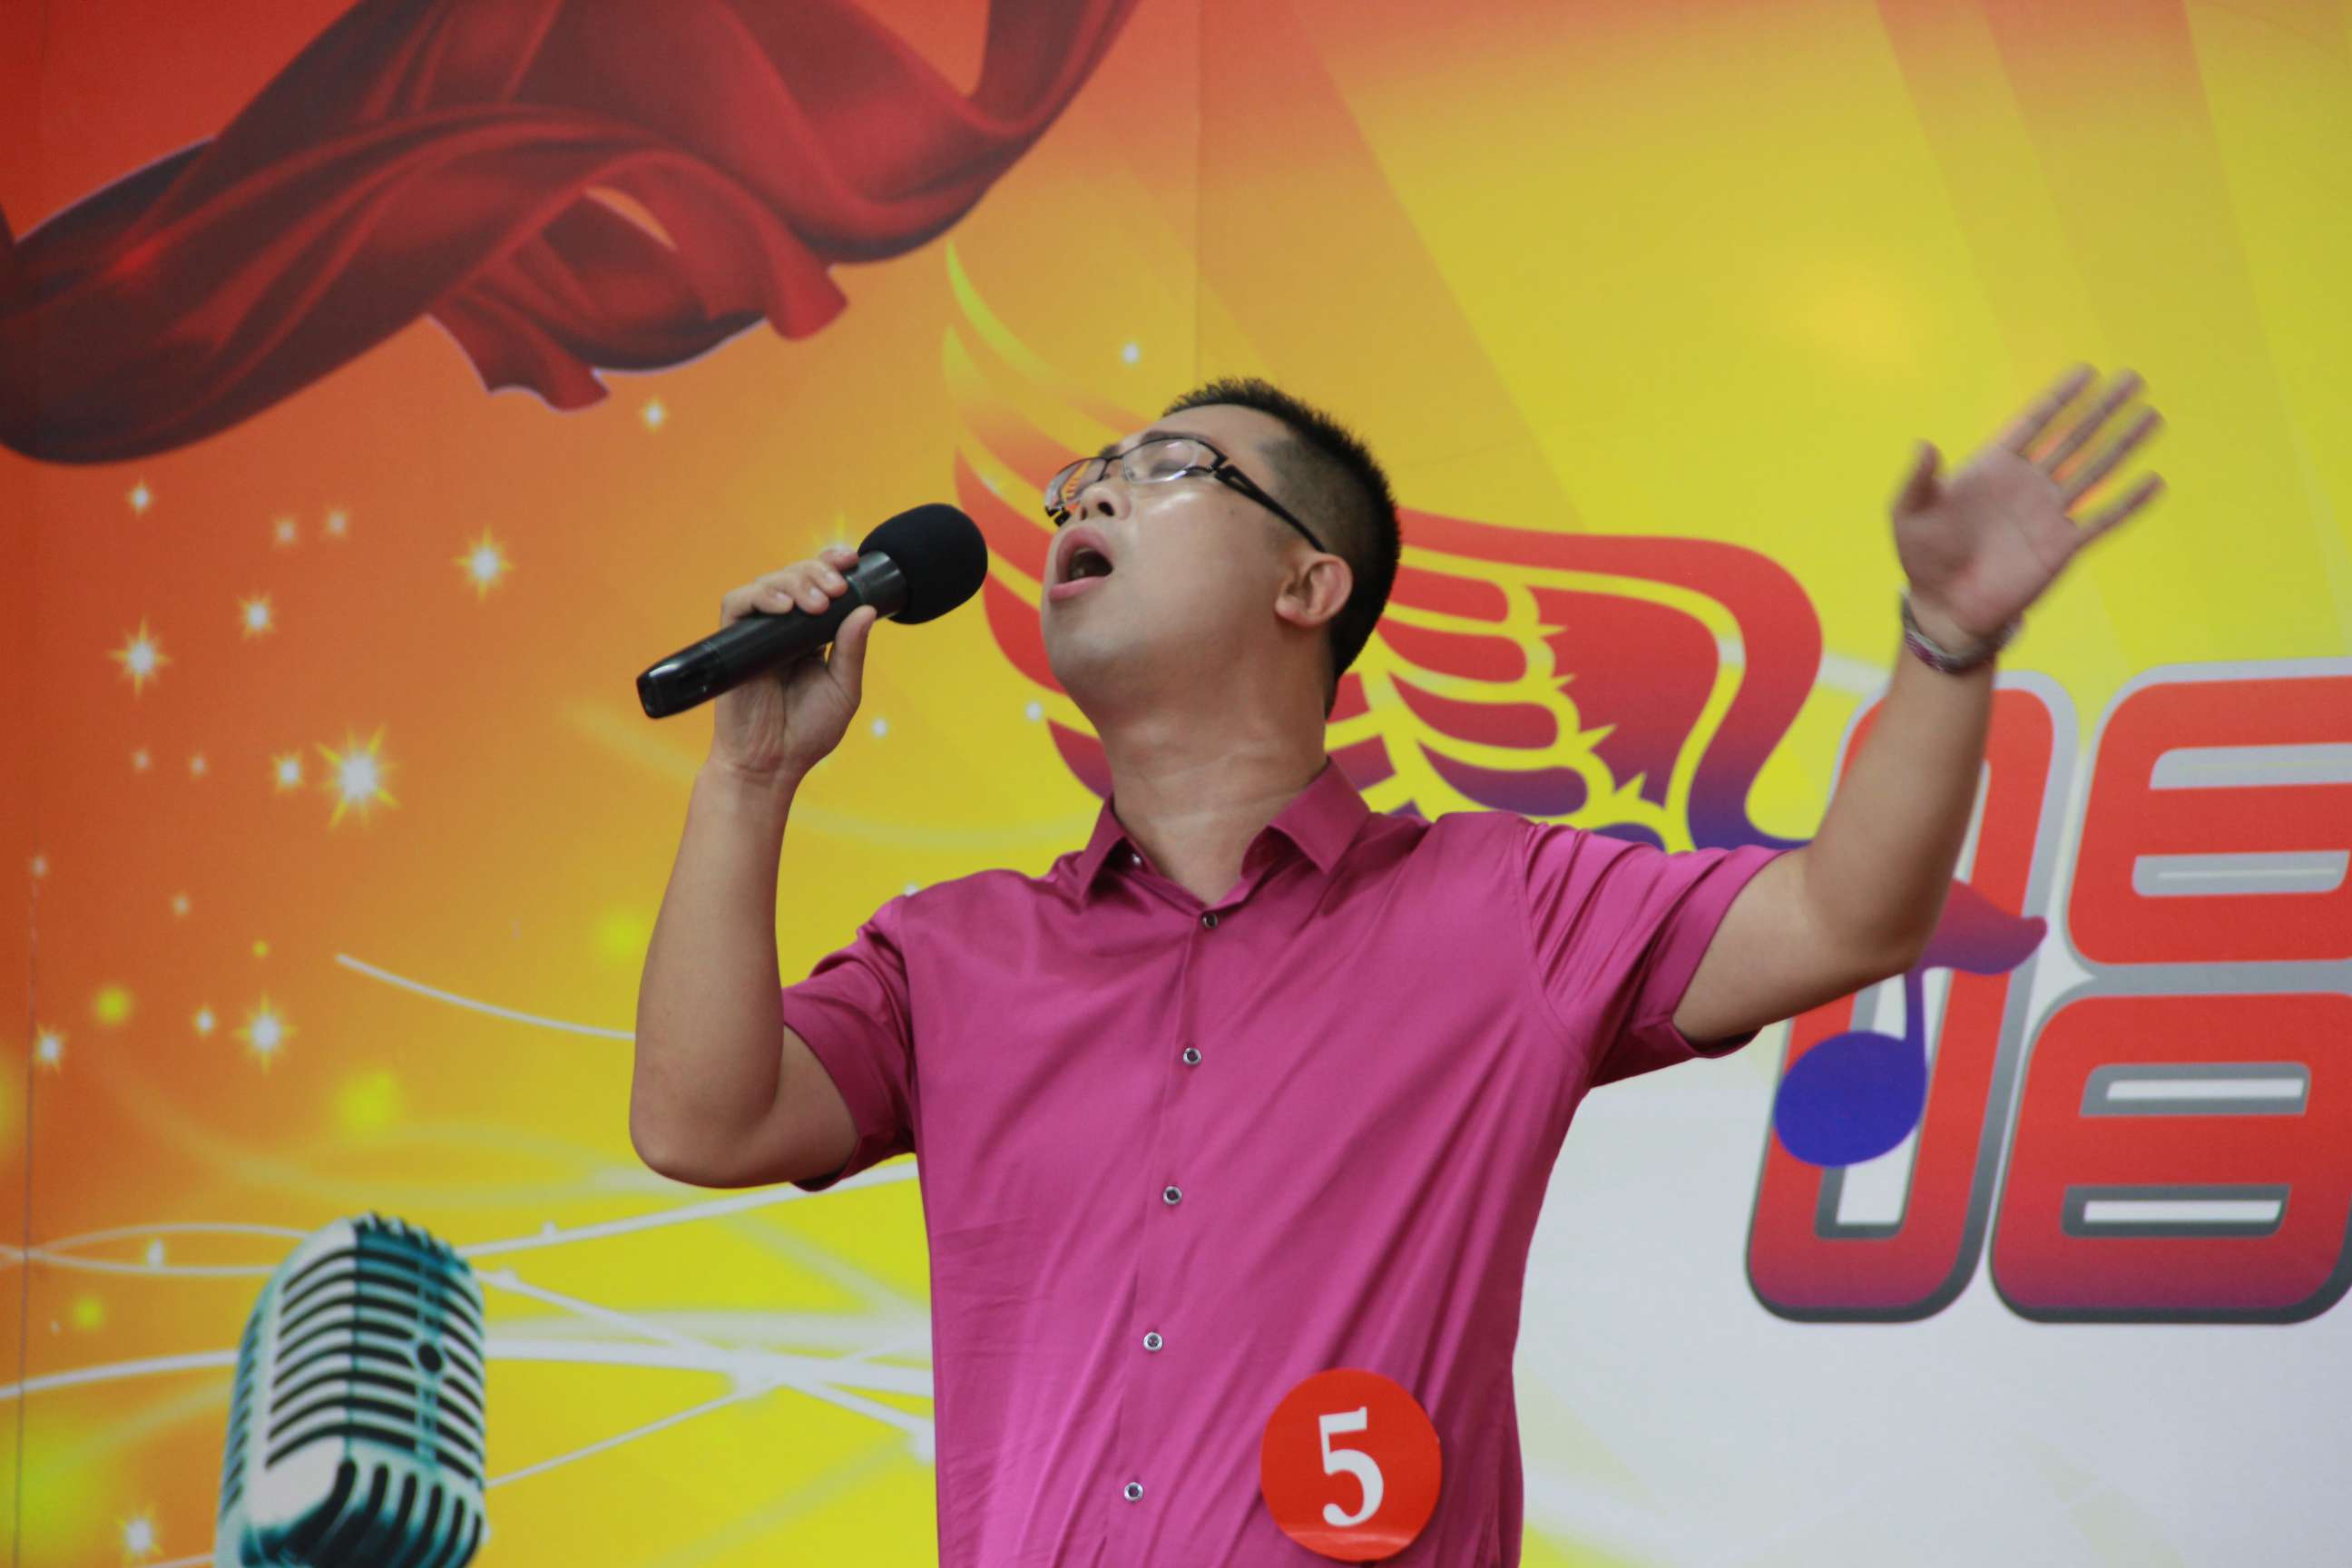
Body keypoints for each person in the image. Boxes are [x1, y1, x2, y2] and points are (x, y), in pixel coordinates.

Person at [630, 370, 2164, 1565]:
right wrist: (749, 778)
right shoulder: (955, 954)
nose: (1090, 493)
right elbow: (703, 1123)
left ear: (1310, 588)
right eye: (1082, 482)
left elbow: (1846, 918)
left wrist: (1945, 641)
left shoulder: (1507, 907)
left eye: (1167, 469)